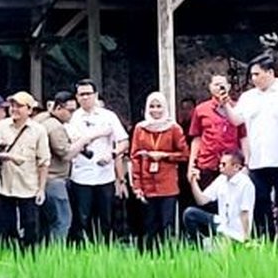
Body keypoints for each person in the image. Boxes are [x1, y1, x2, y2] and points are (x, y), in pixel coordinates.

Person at [218, 56, 278, 238]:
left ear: (270, 73)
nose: (253, 79)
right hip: (258, 160)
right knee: (260, 201)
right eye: (251, 75)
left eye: (257, 74)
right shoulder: (249, 97)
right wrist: (226, 104)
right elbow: (236, 119)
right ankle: (264, 239)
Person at [68, 79, 129, 241]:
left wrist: (113, 154)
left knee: (106, 219)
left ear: (95, 95)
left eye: (88, 94)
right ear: (77, 97)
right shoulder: (73, 118)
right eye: (82, 94)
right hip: (81, 176)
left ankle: (106, 250)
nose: (85, 97)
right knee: (82, 218)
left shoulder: (108, 116)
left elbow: (124, 141)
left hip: (104, 176)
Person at [0, 92, 50, 248]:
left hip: (29, 185)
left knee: (30, 226)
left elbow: (44, 161)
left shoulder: (39, 130)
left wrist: (41, 189)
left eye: (19, 106)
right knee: (3, 227)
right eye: (12, 105)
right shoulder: (0, 127)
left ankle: (30, 260)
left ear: (30, 110)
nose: (14, 109)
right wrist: (7, 157)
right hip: (4, 186)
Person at [129, 91, 189, 248]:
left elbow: (184, 154)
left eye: (159, 107)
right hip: (147, 183)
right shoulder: (140, 128)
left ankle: (168, 258)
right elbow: (134, 157)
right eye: (152, 107)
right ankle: (148, 259)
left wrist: (163, 155)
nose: (155, 111)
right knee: (149, 224)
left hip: (167, 184)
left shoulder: (173, 128)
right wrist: (137, 186)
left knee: (166, 223)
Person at [183, 150, 255, 245]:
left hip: (236, 231)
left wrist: (246, 238)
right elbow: (202, 200)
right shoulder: (221, 179)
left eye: (224, 164)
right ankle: (200, 247)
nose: (220, 166)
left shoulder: (245, 184)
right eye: (220, 163)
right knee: (190, 213)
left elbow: (245, 212)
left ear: (236, 167)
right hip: (222, 223)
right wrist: (193, 181)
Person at [188, 75, 244, 190]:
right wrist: (191, 165)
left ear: (228, 87)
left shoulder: (238, 108)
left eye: (222, 85)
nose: (219, 87)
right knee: (208, 202)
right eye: (216, 84)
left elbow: (243, 137)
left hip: (231, 165)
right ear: (210, 87)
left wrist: (246, 163)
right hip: (207, 163)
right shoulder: (200, 110)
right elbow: (196, 138)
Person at [37, 91, 79, 243]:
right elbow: (65, 153)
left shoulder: (41, 119)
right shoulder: (55, 127)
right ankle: (56, 253)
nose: (72, 115)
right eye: (70, 111)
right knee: (62, 220)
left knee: (45, 222)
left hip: (41, 180)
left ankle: (41, 253)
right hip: (54, 179)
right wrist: (83, 142)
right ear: (59, 108)